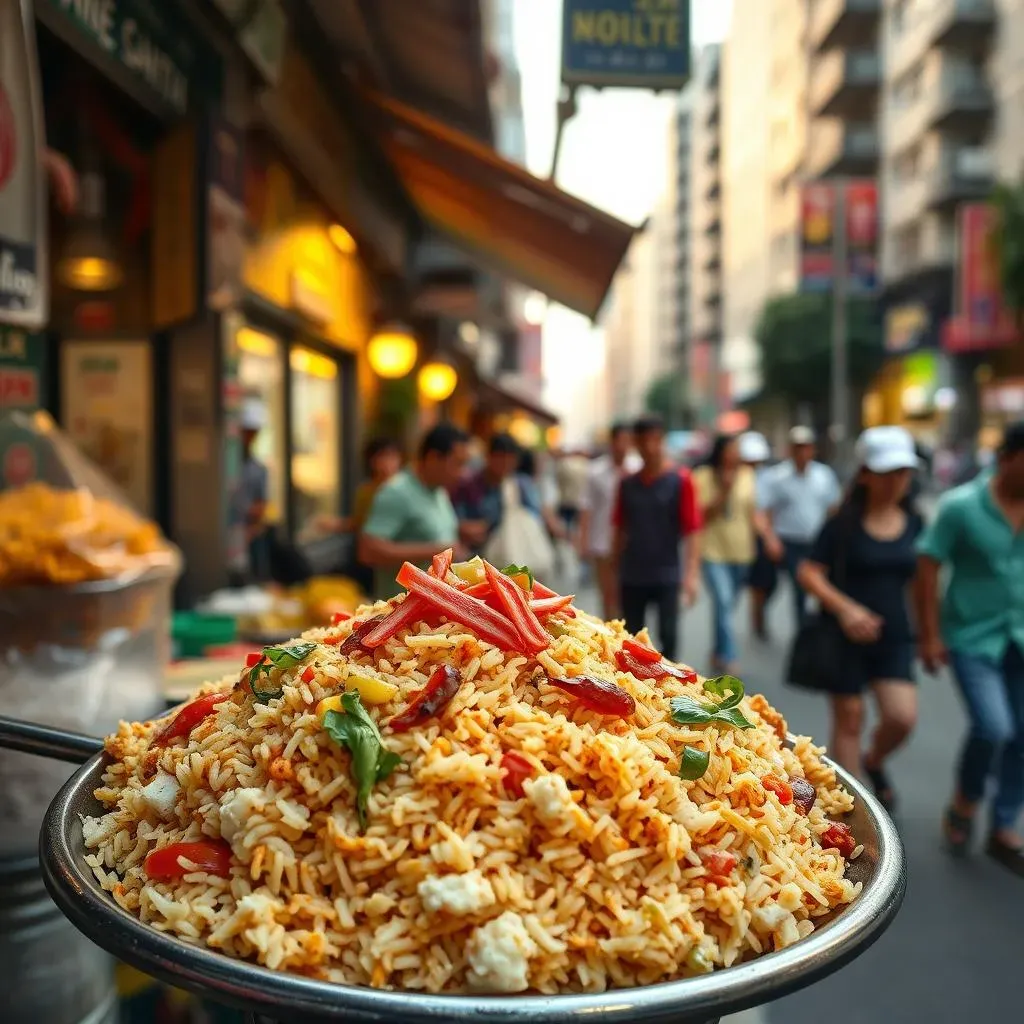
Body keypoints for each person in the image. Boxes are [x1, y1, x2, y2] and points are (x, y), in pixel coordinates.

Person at [917, 421, 1024, 876]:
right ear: (1007, 458)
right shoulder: (961, 506)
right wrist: (929, 635)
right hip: (971, 636)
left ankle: (1003, 825)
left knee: (1022, 734)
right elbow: (927, 565)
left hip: (1020, 636)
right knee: (993, 727)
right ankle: (965, 801)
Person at [797, 426, 922, 810]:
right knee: (849, 718)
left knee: (902, 718)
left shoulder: (915, 521)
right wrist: (847, 609)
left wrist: (930, 633)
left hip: (894, 635)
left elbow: (921, 580)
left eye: (902, 473)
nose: (895, 482)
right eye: (886, 473)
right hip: (843, 635)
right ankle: (852, 813)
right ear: (865, 474)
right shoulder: (842, 523)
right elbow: (809, 572)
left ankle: (874, 760)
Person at [613, 415, 702, 662]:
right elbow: (619, 529)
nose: (649, 448)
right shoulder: (627, 483)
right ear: (636, 444)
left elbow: (692, 530)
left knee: (669, 638)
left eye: (654, 440)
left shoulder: (681, 480)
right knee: (630, 640)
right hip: (632, 572)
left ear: (661, 441)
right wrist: (612, 571)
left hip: (667, 573)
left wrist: (692, 574)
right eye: (643, 441)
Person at [359, 423, 468, 600]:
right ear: (433, 458)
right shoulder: (396, 492)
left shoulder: (438, 490)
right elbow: (368, 551)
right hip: (400, 610)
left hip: (435, 605)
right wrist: (436, 551)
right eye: (457, 463)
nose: (462, 472)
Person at [758, 426, 841, 626]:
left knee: (820, 585)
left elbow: (833, 508)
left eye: (806, 447)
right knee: (799, 587)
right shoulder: (777, 477)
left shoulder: (824, 475)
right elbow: (765, 511)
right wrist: (770, 538)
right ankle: (801, 628)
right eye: (798, 447)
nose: (802, 452)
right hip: (789, 541)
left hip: (816, 541)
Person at [693, 434, 760, 675]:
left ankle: (718, 649)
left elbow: (753, 514)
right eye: (731, 449)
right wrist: (724, 490)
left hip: (742, 552)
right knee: (722, 601)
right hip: (713, 551)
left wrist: (767, 541)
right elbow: (700, 516)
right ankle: (729, 656)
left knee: (727, 607)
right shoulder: (703, 476)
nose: (735, 454)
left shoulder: (748, 475)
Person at [579, 423, 642, 618]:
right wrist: (583, 540)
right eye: (619, 441)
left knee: (630, 596)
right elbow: (587, 507)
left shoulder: (638, 469)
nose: (622, 446)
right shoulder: (595, 471)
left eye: (627, 441)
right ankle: (610, 637)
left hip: (631, 544)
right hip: (602, 542)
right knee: (608, 595)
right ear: (612, 442)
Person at [453, 433, 542, 553]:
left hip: (506, 553)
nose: (505, 463)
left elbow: (533, 519)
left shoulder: (517, 487)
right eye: (500, 457)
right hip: (472, 555)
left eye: (510, 458)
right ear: (488, 456)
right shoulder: (468, 484)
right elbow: (456, 519)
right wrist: (465, 527)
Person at [227, 398, 271, 584]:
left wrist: (250, 530)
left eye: (253, 432)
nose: (249, 437)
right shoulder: (224, 465)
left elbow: (260, 506)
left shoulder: (258, 469)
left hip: (245, 537)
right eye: (246, 432)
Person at [739, 432, 777, 639]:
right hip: (743, 539)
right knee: (755, 584)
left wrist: (770, 535)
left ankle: (760, 614)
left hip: (763, 536)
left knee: (769, 582)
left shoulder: (768, 478)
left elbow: (769, 509)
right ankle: (757, 619)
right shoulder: (737, 477)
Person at [555, 448, 590, 538]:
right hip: (579, 503)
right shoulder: (587, 465)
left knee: (567, 530)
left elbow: (559, 482)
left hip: (566, 502)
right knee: (577, 530)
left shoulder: (563, 464)